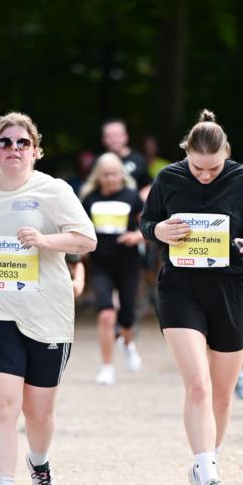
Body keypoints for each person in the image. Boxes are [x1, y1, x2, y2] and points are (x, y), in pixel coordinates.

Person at [140, 109, 243, 485]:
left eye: (213, 168)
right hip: (181, 290)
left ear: (227, 156)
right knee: (198, 384)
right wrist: (158, 232)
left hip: (231, 289)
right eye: (198, 168)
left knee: (222, 392)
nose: (205, 176)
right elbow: (148, 222)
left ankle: (207, 463)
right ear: (186, 155)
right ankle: (208, 477)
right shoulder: (168, 178)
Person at [0, 111, 96, 485]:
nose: (13, 149)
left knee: (38, 413)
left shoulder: (54, 190)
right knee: (2, 407)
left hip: (47, 313)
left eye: (22, 143)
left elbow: (87, 238)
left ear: (36, 151)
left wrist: (45, 240)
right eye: (5, 142)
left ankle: (39, 462)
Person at [81, 152, 144, 384]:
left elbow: (148, 226)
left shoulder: (132, 196)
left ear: (122, 175)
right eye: (106, 175)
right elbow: (81, 228)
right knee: (106, 314)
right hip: (101, 265)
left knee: (126, 315)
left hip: (128, 263)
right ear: (99, 176)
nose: (111, 179)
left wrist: (136, 237)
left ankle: (127, 342)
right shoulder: (89, 199)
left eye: (115, 174)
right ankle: (107, 366)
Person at [101, 119, 151, 194]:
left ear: (126, 136)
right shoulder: (99, 162)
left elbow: (148, 186)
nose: (114, 139)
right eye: (110, 136)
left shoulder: (139, 160)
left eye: (117, 135)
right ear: (103, 139)